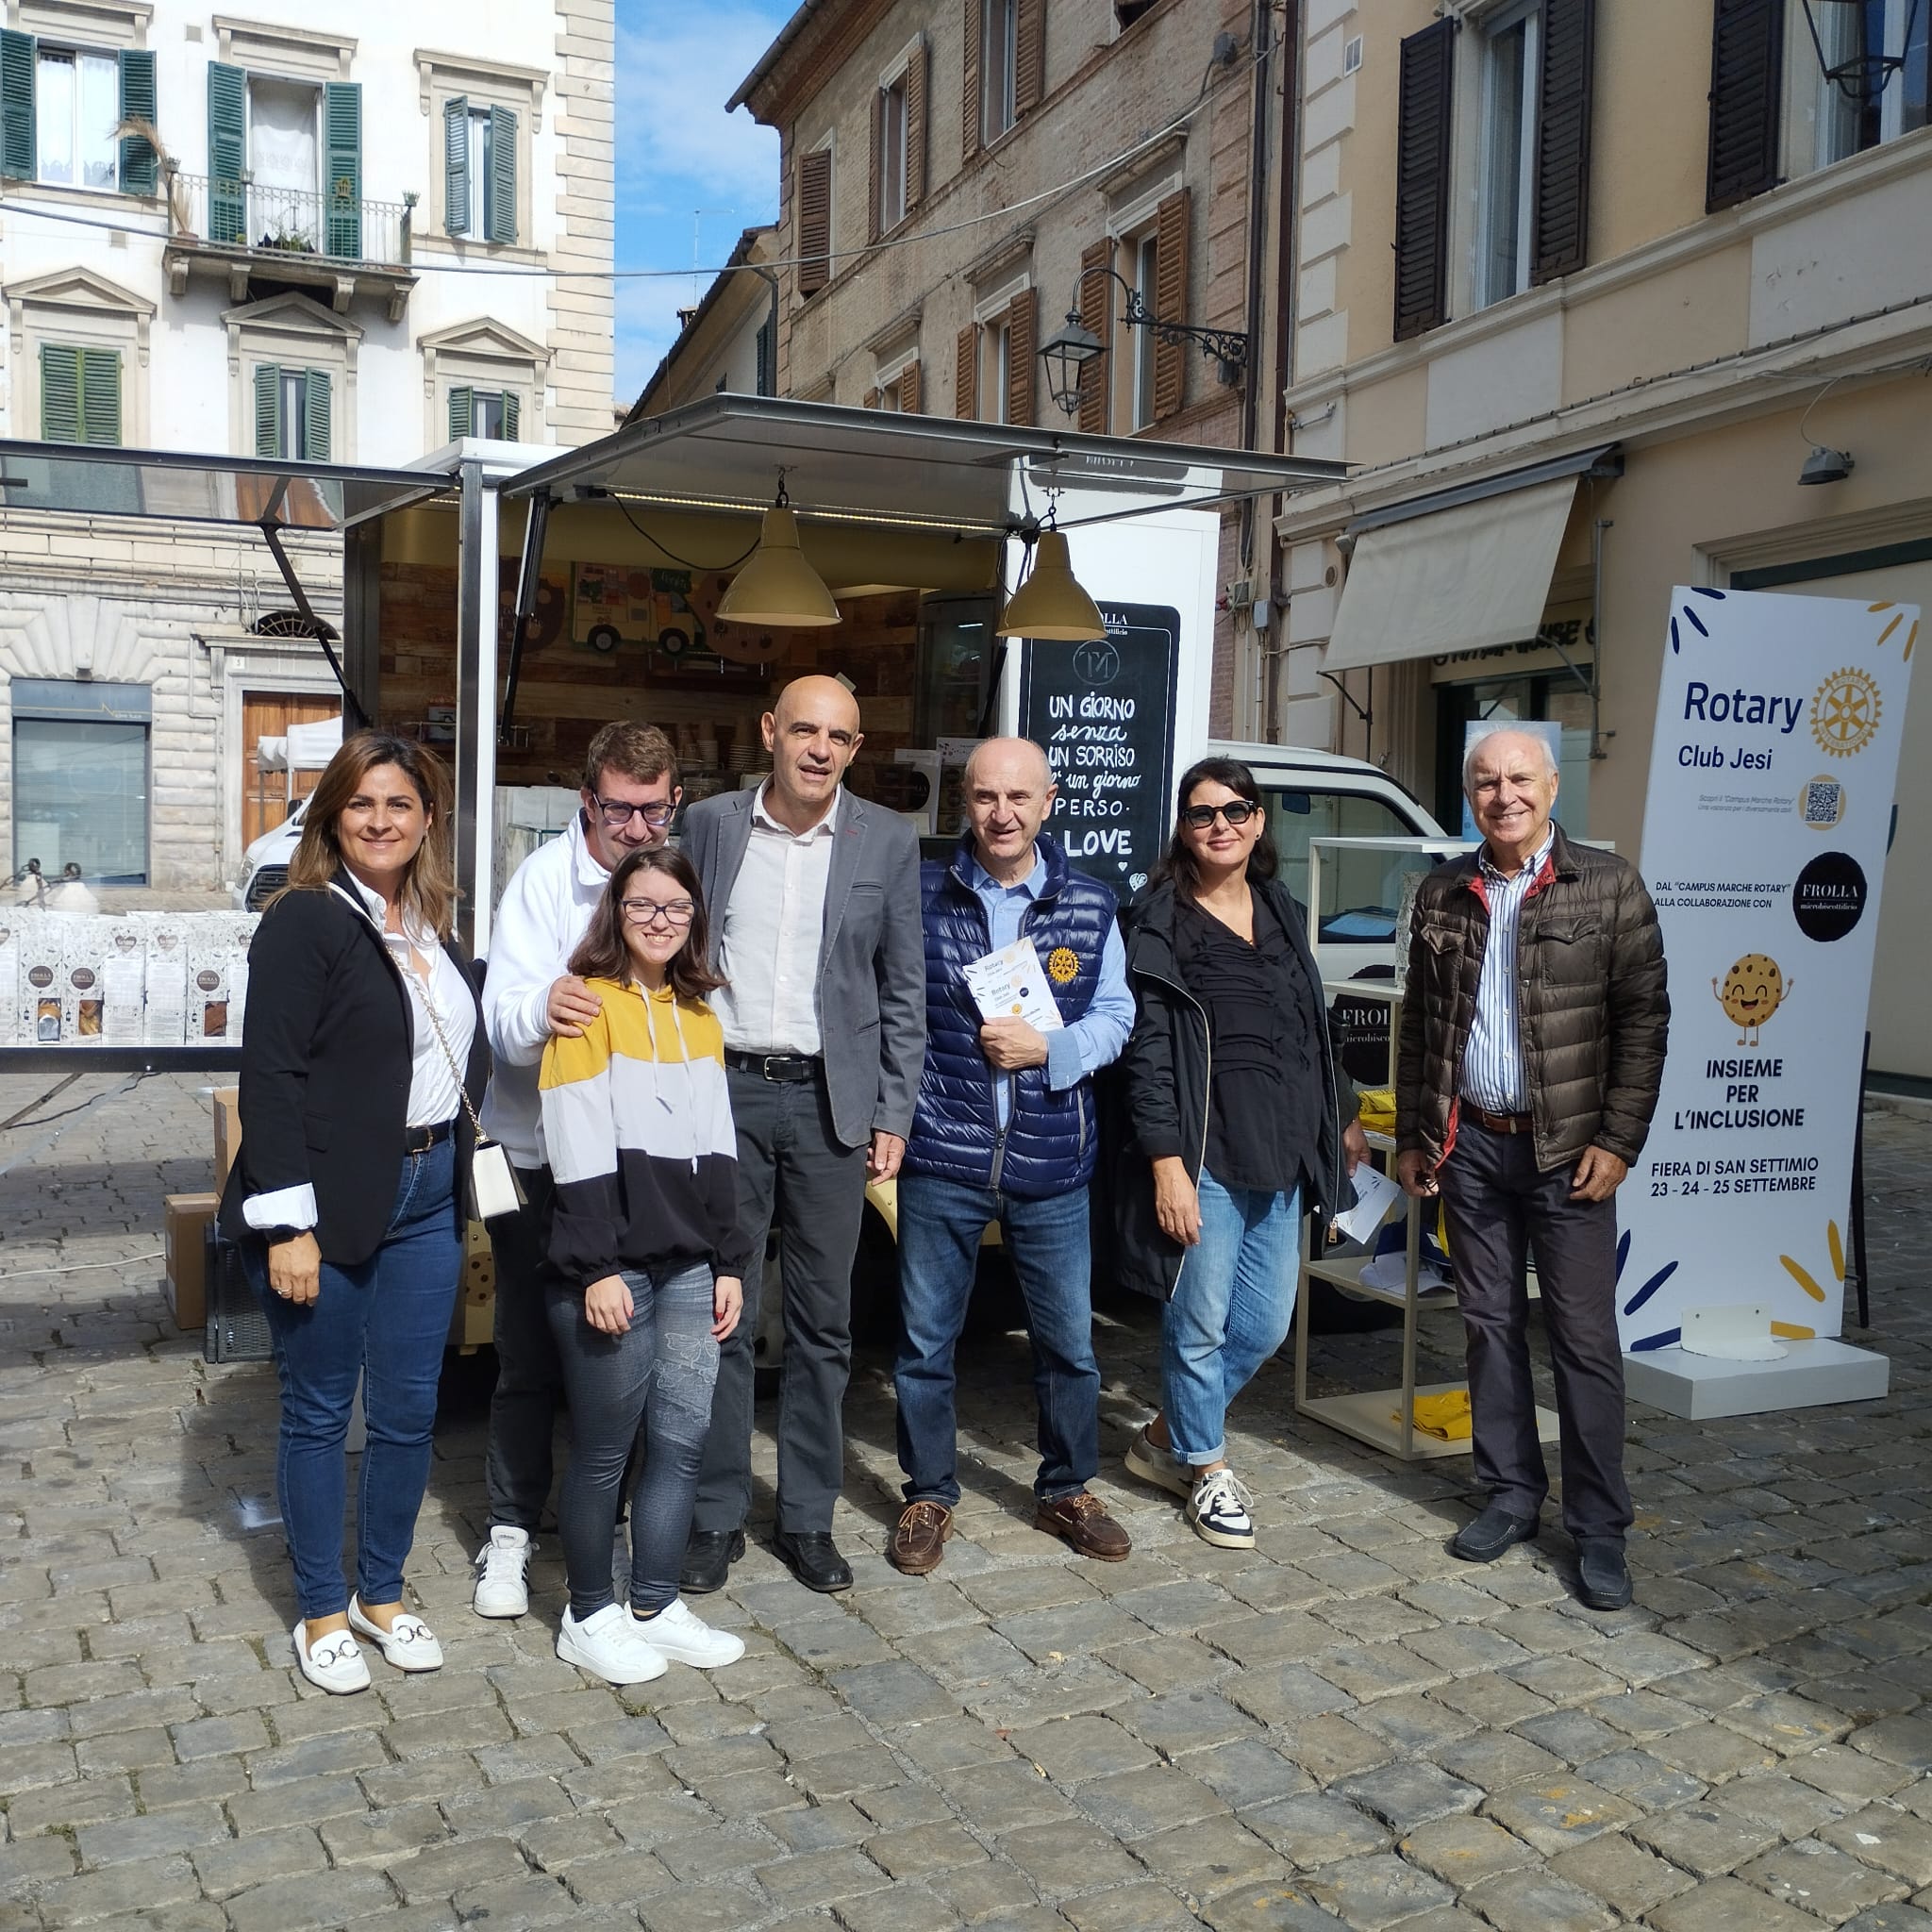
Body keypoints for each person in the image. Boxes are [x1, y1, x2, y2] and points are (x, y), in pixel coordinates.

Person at [220, 732, 488, 1695]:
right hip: (323, 1202)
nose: (382, 820)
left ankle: (382, 1591)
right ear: (333, 815)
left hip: (425, 1191)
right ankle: (321, 1608)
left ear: (427, 821)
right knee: (321, 1407)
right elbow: (271, 1074)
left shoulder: (424, 919)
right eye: (362, 803)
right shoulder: (305, 919)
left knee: (410, 1410)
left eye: (401, 804)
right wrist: (287, 1223)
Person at [1396, 726, 1668, 1612]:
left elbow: (1645, 1019)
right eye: (1485, 781)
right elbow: (1418, 1023)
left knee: (1584, 1343)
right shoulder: (1442, 891)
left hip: (1567, 1155)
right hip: (1469, 1146)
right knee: (1486, 1324)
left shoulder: (1609, 884)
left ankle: (1599, 1528)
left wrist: (1618, 1139)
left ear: (1553, 787)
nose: (1503, 794)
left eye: (1519, 778)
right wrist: (1413, 1133)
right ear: (1469, 795)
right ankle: (1511, 1492)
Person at [679, 675, 924, 1595]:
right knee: (721, 1310)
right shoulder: (711, 824)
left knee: (824, 1322)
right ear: (769, 732)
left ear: (856, 749)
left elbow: (904, 989)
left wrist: (891, 1112)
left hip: (831, 1106)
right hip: (725, 1093)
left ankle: (808, 1515)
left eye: (841, 736)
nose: (820, 749)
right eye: (805, 730)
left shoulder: (885, 841)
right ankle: (714, 1513)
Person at [888, 739, 1137, 1575]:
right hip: (942, 1152)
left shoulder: (1091, 903)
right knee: (925, 1345)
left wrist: (1051, 1051)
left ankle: (1067, 1487)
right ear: (966, 801)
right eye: (987, 797)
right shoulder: (921, 895)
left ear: (1049, 801)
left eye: (1019, 798)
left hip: (1052, 1162)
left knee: (1069, 1344)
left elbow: (1116, 1015)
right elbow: (892, 1010)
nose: (1002, 814)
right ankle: (928, 1493)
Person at [1115, 758, 1365, 1550]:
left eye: (1236, 810)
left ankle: (1162, 1438)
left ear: (1258, 821)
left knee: (1260, 1328)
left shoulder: (1281, 906)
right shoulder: (1159, 918)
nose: (1220, 825)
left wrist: (1346, 1114)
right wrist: (1166, 1163)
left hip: (1286, 1149)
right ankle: (1207, 1470)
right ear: (1184, 829)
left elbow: (1310, 1023)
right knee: (1198, 1327)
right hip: (1207, 1155)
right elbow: (1147, 1053)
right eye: (1202, 813)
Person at [471, 723, 682, 1620]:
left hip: (632, 1165)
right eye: (622, 810)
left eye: (655, 809)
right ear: (587, 802)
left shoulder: (670, 889)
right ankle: (511, 1532)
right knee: (528, 1354)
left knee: (622, 1355)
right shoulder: (540, 882)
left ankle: (615, 1524)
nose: (638, 827)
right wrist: (541, 1004)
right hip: (533, 1162)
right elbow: (498, 1012)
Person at [538, 846, 750, 1683]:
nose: (659, 921)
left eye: (676, 908)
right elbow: (573, 1145)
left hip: (692, 1268)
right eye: (641, 906)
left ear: (694, 920)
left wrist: (730, 1258)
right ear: (614, 914)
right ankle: (588, 1614)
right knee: (603, 1452)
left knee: (680, 1444)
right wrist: (593, 1267)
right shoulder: (587, 1009)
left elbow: (721, 1147)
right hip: (614, 1266)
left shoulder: (702, 1016)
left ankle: (654, 1603)